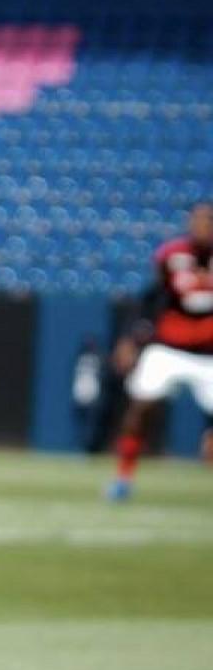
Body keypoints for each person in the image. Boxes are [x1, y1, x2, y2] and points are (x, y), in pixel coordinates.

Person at [105, 200, 213, 501]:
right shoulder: (172, 255)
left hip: (209, 354)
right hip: (169, 348)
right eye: (197, 220)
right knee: (139, 407)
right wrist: (131, 338)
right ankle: (123, 478)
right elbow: (151, 298)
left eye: (208, 221)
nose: (202, 226)